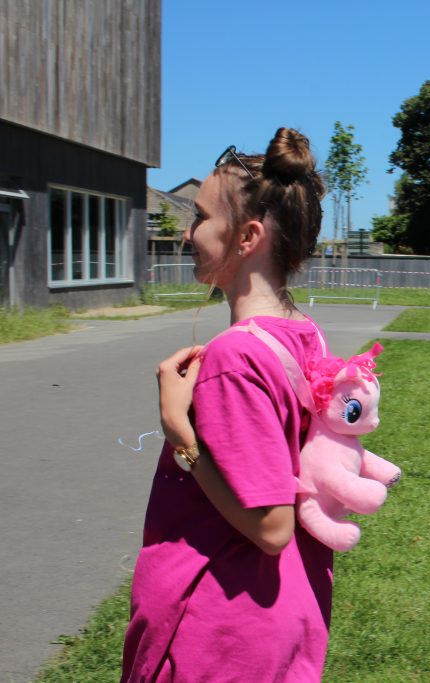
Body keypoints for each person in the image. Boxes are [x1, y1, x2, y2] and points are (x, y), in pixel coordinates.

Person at [121, 128, 333, 682]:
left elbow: (271, 526)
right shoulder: (304, 333)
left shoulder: (235, 357)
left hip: (217, 630)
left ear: (247, 236)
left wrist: (179, 433)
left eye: (200, 218)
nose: (187, 233)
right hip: (283, 610)